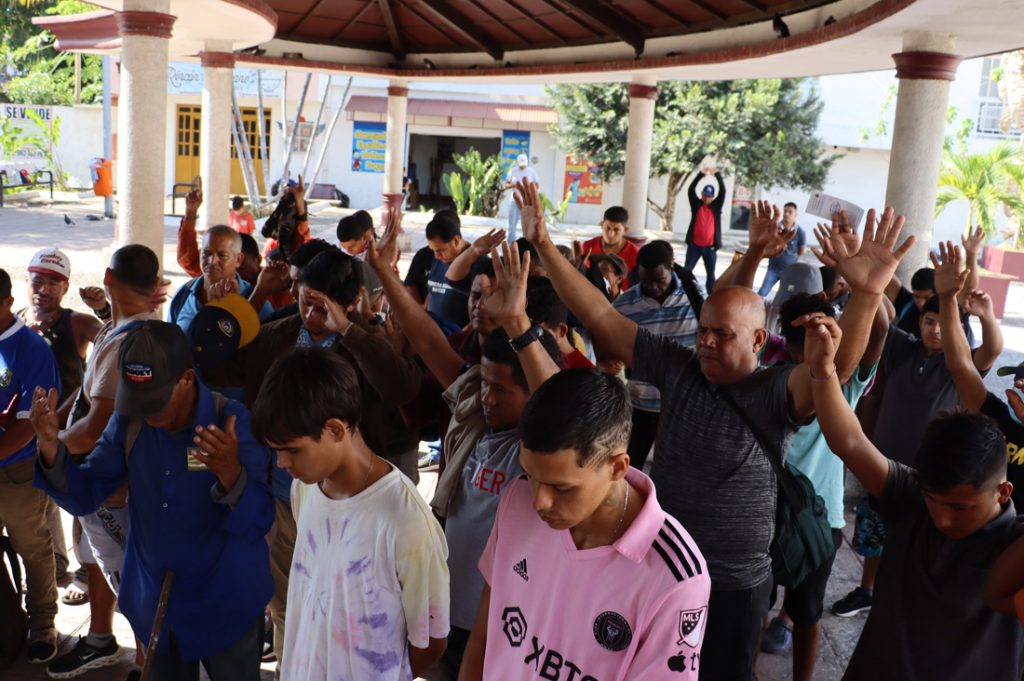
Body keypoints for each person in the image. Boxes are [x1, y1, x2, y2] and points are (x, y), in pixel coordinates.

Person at [517, 181, 913, 680]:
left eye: (721, 335)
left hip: (733, 585)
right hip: (659, 569)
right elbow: (599, 313)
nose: (705, 342)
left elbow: (834, 370)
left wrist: (868, 293)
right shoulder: (676, 365)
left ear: (757, 339)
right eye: (703, 329)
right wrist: (545, 246)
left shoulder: (775, 390)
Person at [366, 233, 562, 678]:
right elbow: (430, 340)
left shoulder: (542, 449)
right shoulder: (474, 410)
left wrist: (516, 322)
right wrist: (384, 274)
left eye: (502, 389)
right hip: (446, 606)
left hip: (502, 621)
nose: (488, 397)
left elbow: (557, 398)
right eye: (485, 384)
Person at [32, 321, 274, 681]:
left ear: (187, 378)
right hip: (156, 606)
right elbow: (87, 494)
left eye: (156, 401)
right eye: (138, 400)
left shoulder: (232, 426)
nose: (148, 412)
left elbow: (260, 522)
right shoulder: (130, 422)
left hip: (224, 606)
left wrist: (232, 475)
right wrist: (52, 448)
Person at [800, 310, 1024, 681]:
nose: (943, 518)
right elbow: (850, 442)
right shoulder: (912, 497)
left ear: (1003, 491)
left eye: (960, 506)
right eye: (934, 500)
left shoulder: (1015, 543)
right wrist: (823, 372)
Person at [458, 368, 712, 680]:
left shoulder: (675, 577)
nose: (539, 501)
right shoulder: (516, 501)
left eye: (561, 487)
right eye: (531, 475)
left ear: (617, 467)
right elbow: (484, 633)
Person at [250, 348, 449, 680]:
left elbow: (431, 641)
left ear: (336, 430)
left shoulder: (405, 521)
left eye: (292, 450)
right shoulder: (307, 488)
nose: (282, 464)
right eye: (276, 452)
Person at [832, 242, 1003, 619]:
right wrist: (861, 280)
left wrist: (988, 318)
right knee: (874, 539)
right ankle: (867, 591)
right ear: (920, 321)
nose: (935, 331)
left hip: (931, 477)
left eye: (944, 325)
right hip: (885, 469)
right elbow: (881, 318)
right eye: (928, 321)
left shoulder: (959, 367)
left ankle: (913, 598)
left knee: (922, 542)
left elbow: (991, 350)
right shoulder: (903, 348)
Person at [39, 245, 162, 679]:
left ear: (108, 278)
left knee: (135, 584)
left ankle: (150, 665)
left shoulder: (131, 340)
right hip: (103, 483)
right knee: (103, 567)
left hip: (114, 488)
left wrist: (48, 443)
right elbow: (90, 402)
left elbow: (99, 424)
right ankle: (102, 640)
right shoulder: (126, 326)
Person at [758, 292, 886, 681]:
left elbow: (880, 328)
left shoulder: (844, 384)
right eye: (799, 351)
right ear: (787, 347)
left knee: (807, 612)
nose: (807, 361)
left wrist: (867, 289)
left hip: (820, 521)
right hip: (765, 511)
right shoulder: (770, 378)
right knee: (753, 604)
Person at [19, 248, 102, 584]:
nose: (44, 288)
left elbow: (119, 340)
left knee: (83, 504)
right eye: (38, 280)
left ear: (65, 287)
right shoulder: (17, 322)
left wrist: (106, 309)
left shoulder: (77, 323)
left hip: (72, 432)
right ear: (26, 280)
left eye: (54, 283)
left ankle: (88, 574)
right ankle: (56, 570)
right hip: (26, 435)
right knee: (40, 502)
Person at [931, 242, 1024, 509]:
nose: (1018, 385)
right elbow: (961, 367)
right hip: (990, 538)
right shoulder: (997, 419)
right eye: (1017, 377)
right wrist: (948, 300)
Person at [0, 267, 61, 665]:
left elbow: (29, 424)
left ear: (6, 302)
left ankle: (43, 623)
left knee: (33, 546)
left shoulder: (32, 349)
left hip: (18, 471)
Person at [612, 241, 701, 471]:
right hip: (639, 404)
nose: (653, 288)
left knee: (679, 468)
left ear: (672, 267)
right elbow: (611, 345)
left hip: (683, 404)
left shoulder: (695, 299)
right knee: (629, 465)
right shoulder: (623, 306)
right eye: (645, 281)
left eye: (659, 281)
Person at [168, 225, 276, 335]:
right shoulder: (183, 294)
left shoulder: (256, 301)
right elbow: (169, 343)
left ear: (238, 260)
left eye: (222, 255)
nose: (212, 261)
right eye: (206, 253)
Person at [425, 211, 473, 330]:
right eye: (433, 250)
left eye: (441, 250)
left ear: (456, 240)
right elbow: (433, 292)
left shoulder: (477, 263)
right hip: (432, 335)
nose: (437, 255)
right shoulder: (439, 259)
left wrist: (460, 338)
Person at [684, 167, 726, 292]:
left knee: (711, 275)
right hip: (694, 246)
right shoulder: (696, 205)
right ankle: (684, 292)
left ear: (713, 197)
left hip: (710, 248)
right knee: (687, 271)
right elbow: (691, 189)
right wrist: (701, 175)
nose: (707, 198)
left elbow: (723, 191)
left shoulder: (716, 207)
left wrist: (717, 174)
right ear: (702, 195)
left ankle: (710, 296)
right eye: (705, 195)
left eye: (709, 196)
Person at [757, 202, 807, 297]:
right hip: (773, 268)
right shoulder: (775, 228)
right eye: (785, 211)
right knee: (762, 293)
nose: (786, 214)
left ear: (795, 215)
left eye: (790, 212)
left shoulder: (800, 232)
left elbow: (801, 251)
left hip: (790, 271)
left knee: (788, 295)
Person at [580, 206, 640, 274]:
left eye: (616, 230)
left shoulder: (635, 253)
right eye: (608, 228)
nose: (611, 234)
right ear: (602, 225)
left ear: (625, 230)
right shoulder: (588, 246)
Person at [504, 154, 538, 243]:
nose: (522, 166)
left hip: (526, 200)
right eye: (521, 164)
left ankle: (527, 243)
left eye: (524, 164)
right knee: (512, 224)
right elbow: (506, 185)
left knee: (527, 223)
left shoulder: (531, 171)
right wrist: (513, 185)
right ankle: (511, 244)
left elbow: (537, 185)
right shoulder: (513, 171)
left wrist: (530, 190)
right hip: (514, 199)